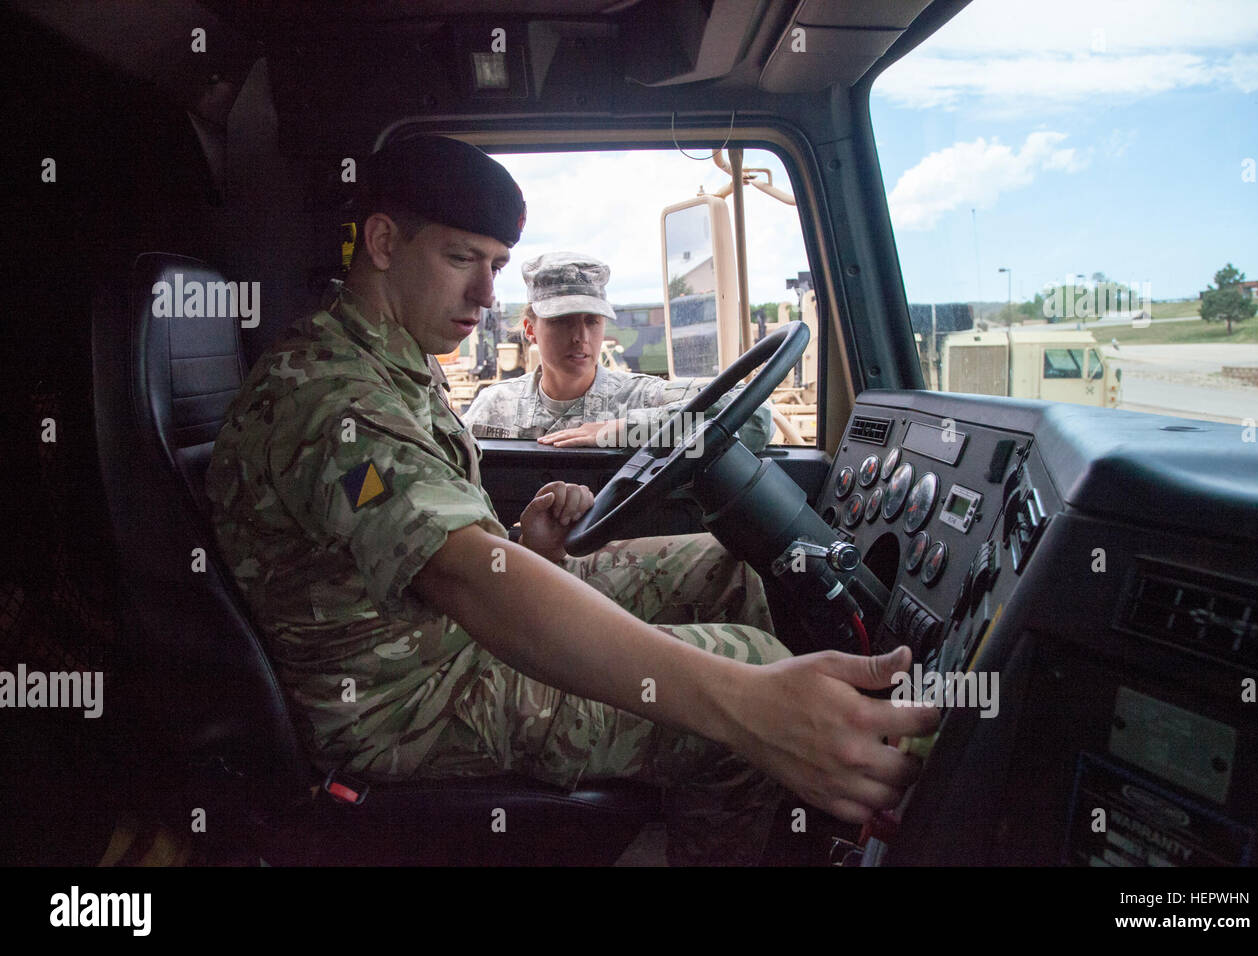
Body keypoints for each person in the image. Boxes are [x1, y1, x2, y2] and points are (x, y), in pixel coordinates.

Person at [205, 135, 937, 865]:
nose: (487, 295)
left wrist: (524, 554)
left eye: (495, 266)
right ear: (385, 241)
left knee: (727, 567)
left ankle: (698, 812)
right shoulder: (330, 396)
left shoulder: (392, 359)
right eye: (463, 258)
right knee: (750, 670)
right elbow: (461, 576)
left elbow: (434, 556)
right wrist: (751, 703)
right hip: (407, 700)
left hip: (439, 634)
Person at [462, 252, 772, 454]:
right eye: (561, 322)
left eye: (591, 321)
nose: (580, 337)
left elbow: (757, 417)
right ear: (530, 329)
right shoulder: (493, 404)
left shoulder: (639, 397)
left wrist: (624, 430)